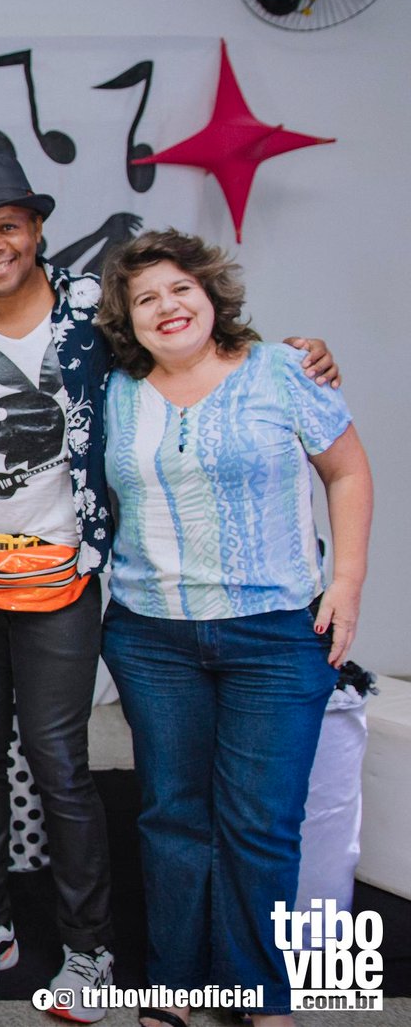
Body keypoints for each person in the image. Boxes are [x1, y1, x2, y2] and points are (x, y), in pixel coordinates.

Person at [0, 153, 339, 1023]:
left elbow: (193, 352)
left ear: (36, 228)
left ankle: (88, 948)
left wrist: (297, 355)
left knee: (59, 761)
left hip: (63, 573)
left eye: (8, 226)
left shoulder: (94, 314)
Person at [95, 230, 372, 1027]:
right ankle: (177, 982)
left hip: (275, 637)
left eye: (180, 288)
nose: (167, 307)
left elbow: (348, 470)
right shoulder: (116, 392)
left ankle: (258, 992)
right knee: (172, 814)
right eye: (146, 299)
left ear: (211, 293)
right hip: (153, 637)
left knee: (261, 823)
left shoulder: (284, 370)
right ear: (128, 319)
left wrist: (346, 583)